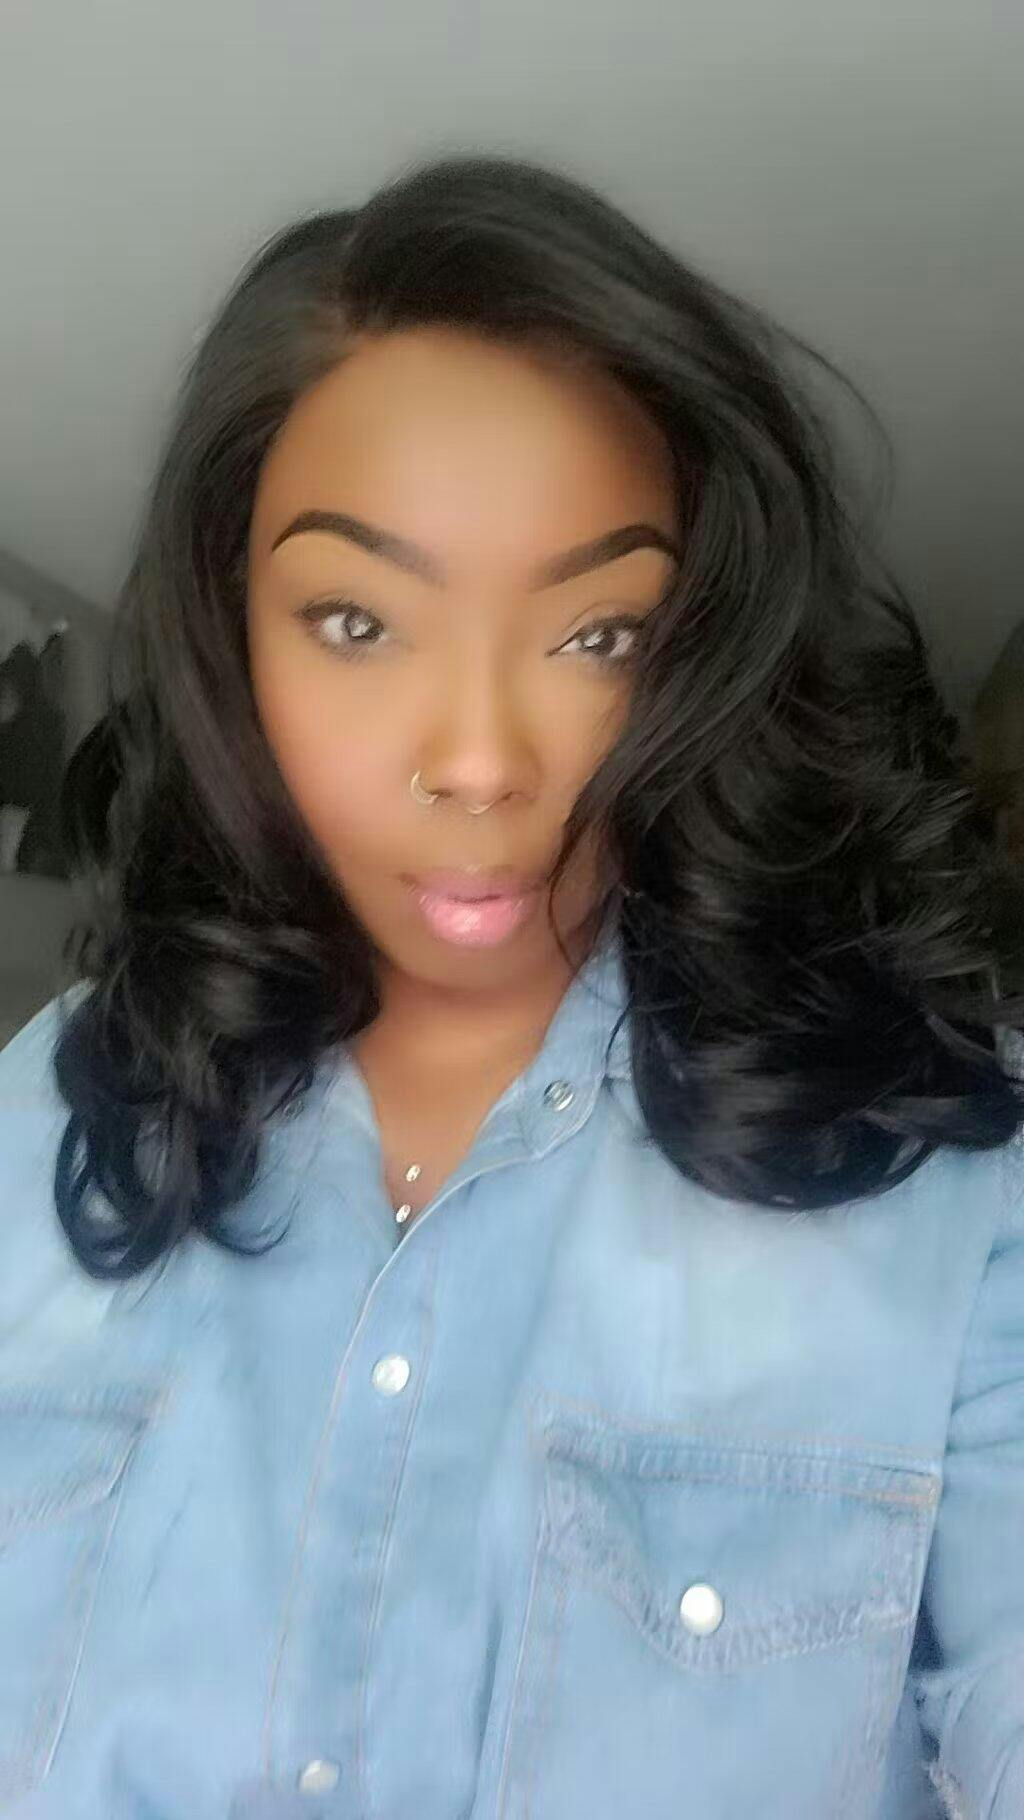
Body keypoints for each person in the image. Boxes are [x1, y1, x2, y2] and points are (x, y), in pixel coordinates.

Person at [0, 153, 1021, 1820]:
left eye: (600, 635)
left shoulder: (954, 1183)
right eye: (356, 622)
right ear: (229, 633)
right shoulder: (46, 1121)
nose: (481, 761)